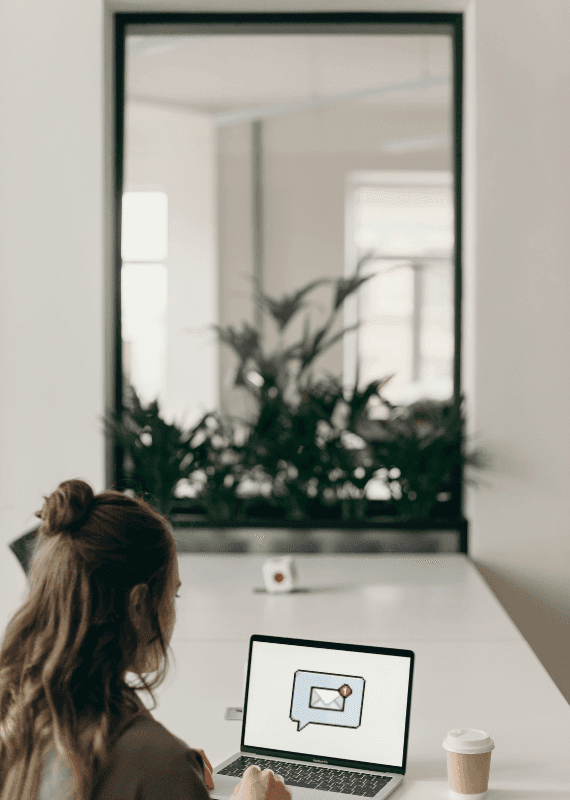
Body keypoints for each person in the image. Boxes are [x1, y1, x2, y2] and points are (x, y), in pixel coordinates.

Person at [0, 479, 292, 800]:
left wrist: (164, 768)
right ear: (138, 605)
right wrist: (165, 770)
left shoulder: (14, 710)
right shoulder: (156, 763)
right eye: (173, 594)